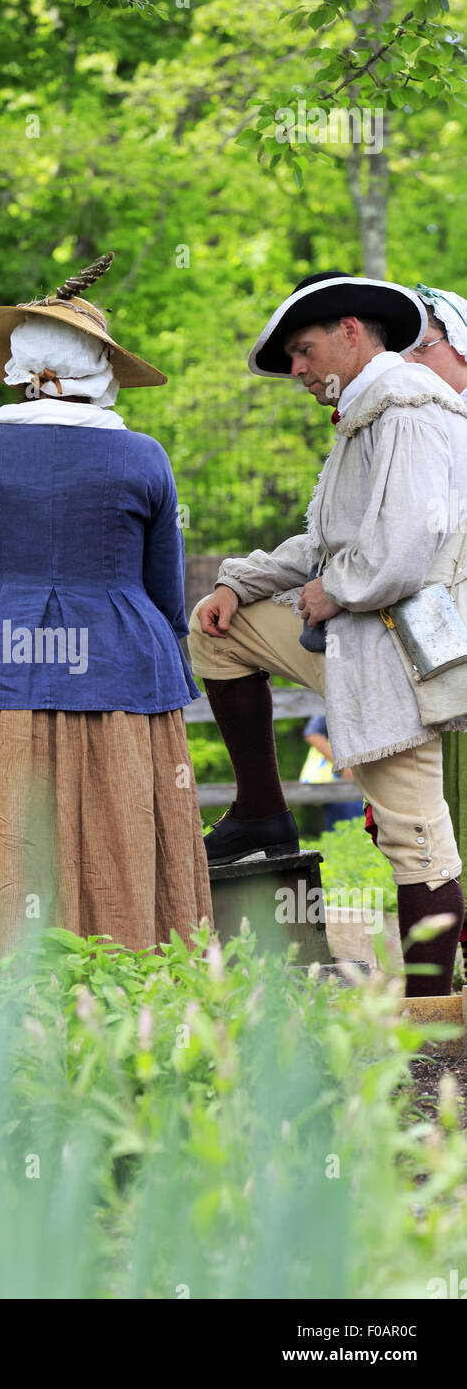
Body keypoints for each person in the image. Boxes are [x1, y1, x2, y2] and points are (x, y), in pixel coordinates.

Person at [0, 253, 213, 991]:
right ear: (98, 370)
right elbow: (163, 593)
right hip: (123, 673)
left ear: (21, 369)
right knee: (119, 840)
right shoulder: (144, 457)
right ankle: (131, 996)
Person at [187, 271, 467, 998]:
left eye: (304, 352)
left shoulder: (407, 413)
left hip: (401, 655)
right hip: (353, 645)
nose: (299, 372)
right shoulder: (365, 419)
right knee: (219, 629)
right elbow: (321, 543)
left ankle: (431, 1012)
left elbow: (401, 551)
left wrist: (331, 591)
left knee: (417, 839)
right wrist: (239, 581)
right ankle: (263, 814)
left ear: (351, 329)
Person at [399, 284, 467, 971]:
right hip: (440, 637)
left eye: (423, 347)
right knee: (443, 804)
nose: (412, 362)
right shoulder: (415, 422)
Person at [301, 714, 364, 832]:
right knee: (346, 830)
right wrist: (343, 765)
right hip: (343, 778)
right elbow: (312, 734)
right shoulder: (333, 700)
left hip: (362, 775)